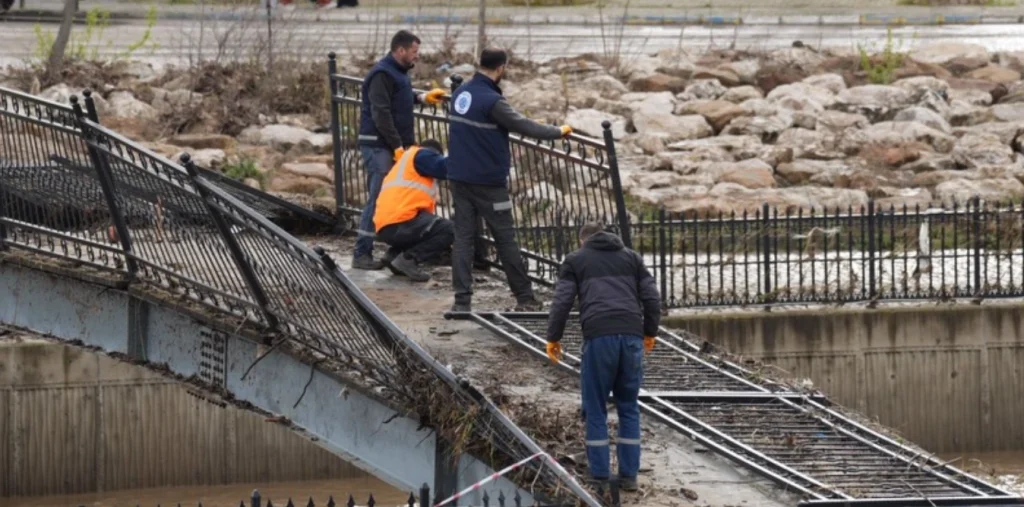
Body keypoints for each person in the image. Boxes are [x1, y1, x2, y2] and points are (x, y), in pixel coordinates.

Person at [446, 48, 572, 312]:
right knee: (505, 239)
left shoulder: (461, 93)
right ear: (501, 68)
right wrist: (557, 132)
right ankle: (525, 297)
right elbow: (524, 125)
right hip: (488, 182)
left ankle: (461, 301)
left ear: (478, 64)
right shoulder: (492, 101)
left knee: (463, 239)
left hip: (459, 177)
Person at [544, 222, 661, 493]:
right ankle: (629, 477)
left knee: (595, 406)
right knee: (629, 406)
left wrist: (553, 337)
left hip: (599, 338)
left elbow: (562, 301)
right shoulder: (632, 257)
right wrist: (649, 331)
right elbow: (652, 298)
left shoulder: (575, 260)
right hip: (632, 337)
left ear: (582, 241)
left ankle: (599, 476)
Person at [354, 29, 447, 271]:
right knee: (378, 197)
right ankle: (362, 253)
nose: (417, 56)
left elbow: (399, 97)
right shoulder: (382, 74)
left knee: (389, 196)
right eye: (414, 52)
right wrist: (397, 146)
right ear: (401, 50)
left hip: (388, 143)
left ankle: (392, 252)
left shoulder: (398, 73)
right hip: (378, 144)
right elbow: (381, 112)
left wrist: (423, 98)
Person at [372, 139, 453, 282]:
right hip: (400, 223)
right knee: (450, 229)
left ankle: (393, 256)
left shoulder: (405, 160)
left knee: (428, 227)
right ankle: (408, 259)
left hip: (386, 225)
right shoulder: (422, 155)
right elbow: (445, 167)